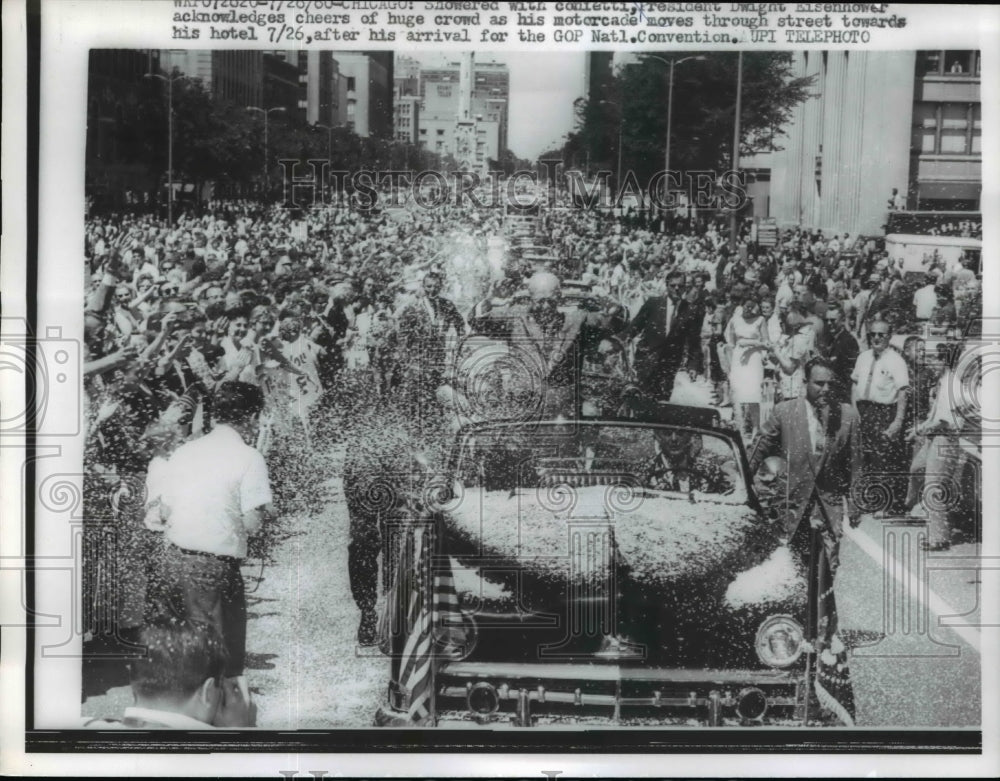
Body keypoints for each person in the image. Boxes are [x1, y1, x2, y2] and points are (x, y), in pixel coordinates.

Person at [146, 381, 275, 687]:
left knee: (181, 657)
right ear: (253, 417)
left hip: (172, 561)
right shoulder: (249, 457)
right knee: (219, 667)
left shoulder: (185, 452)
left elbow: (161, 512)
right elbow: (252, 522)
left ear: (215, 414)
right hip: (213, 566)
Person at [749, 357, 862, 572]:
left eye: (831, 383)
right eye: (819, 383)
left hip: (827, 507)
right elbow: (758, 449)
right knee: (788, 568)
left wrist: (855, 503)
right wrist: (741, 482)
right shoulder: (784, 412)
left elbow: (854, 463)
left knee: (827, 569)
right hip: (791, 504)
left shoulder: (848, 416)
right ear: (805, 383)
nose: (826, 389)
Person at [82, 617, 256, 729]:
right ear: (208, 692)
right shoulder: (216, 762)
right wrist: (239, 731)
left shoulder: (84, 730)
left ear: (134, 681)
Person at [851, 319, 910, 515]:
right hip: (863, 409)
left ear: (889, 336)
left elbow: (903, 391)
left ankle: (883, 504)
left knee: (882, 459)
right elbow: (855, 383)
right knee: (863, 455)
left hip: (884, 412)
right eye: (872, 334)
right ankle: (868, 499)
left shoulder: (896, 360)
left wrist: (898, 421)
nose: (876, 338)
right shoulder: (863, 357)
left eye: (880, 334)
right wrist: (854, 410)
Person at [625, 269, 702, 403]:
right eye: (673, 285)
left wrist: (693, 365)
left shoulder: (690, 311)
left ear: (685, 288)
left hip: (669, 363)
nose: (677, 289)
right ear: (667, 286)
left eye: (680, 286)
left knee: (662, 400)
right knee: (641, 397)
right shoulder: (653, 303)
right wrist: (621, 340)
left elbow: (694, 341)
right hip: (646, 359)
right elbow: (635, 326)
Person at [725, 294, 769, 441]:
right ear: (741, 306)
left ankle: (756, 428)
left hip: (754, 359)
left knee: (753, 394)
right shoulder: (734, 321)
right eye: (746, 306)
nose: (749, 309)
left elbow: (767, 343)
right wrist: (730, 365)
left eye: (752, 306)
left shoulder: (760, 320)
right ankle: (741, 429)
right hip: (739, 360)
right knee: (739, 393)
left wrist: (752, 344)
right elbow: (731, 344)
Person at [820, 301, 860, 405]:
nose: (829, 323)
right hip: (829, 391)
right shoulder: (829, 338)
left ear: (842, 321)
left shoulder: (849, 341)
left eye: (833, 320)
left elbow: (852, 373)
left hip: (841, 395)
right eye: (827, 320)